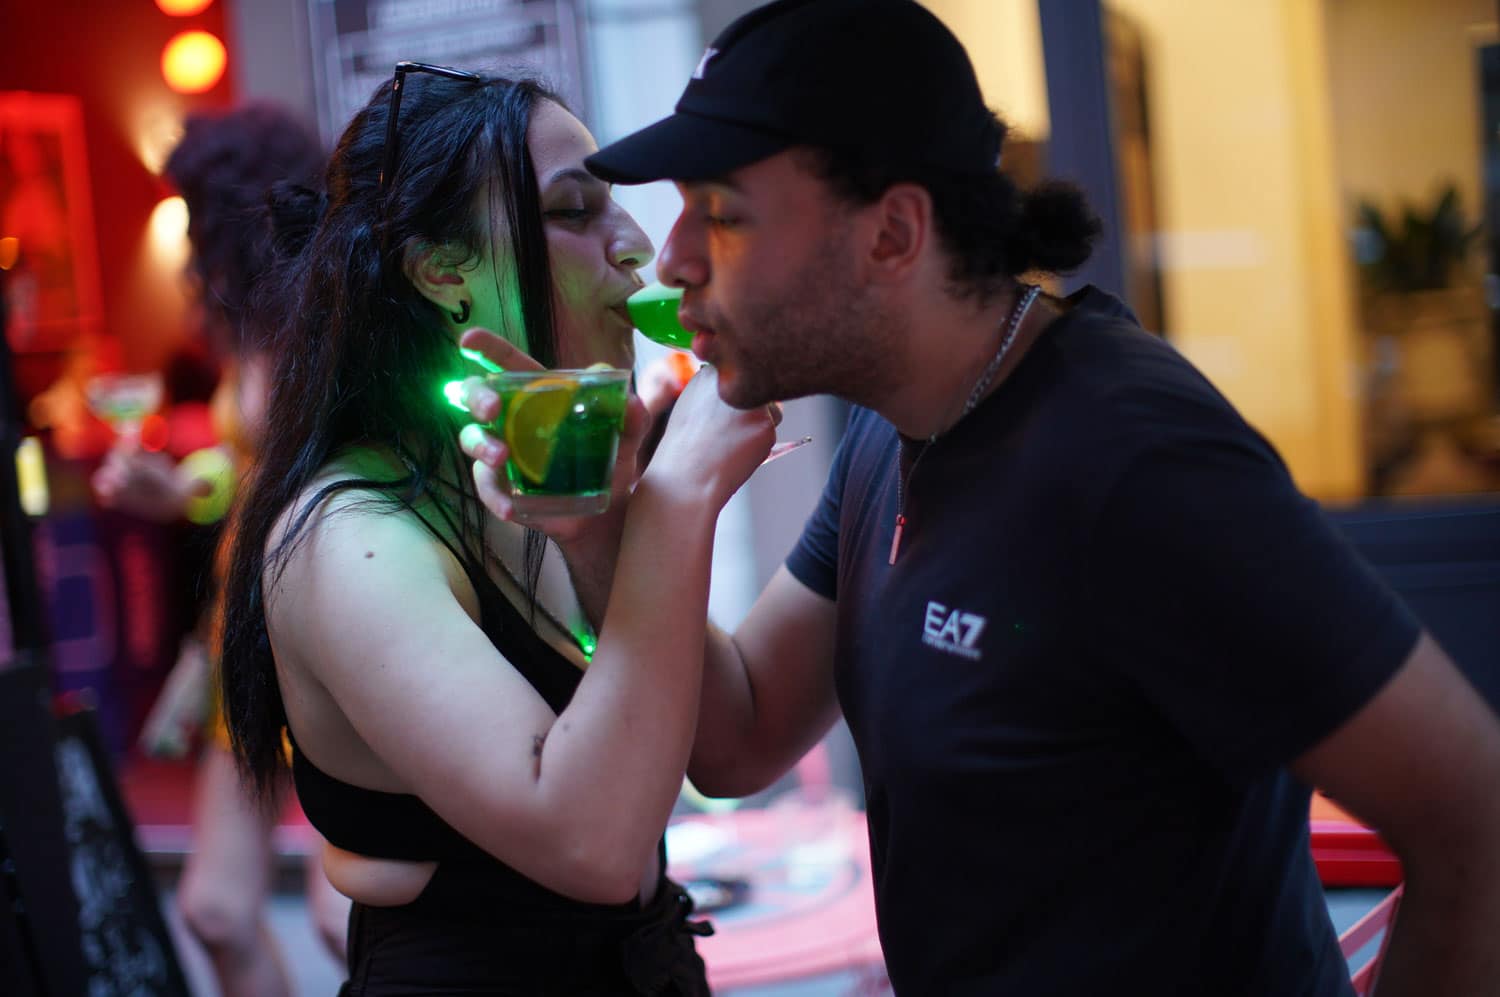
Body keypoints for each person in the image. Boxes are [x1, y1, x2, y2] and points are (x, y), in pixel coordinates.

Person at [463, 1, 1500, 993]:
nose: (673, 258)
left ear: (893, 233)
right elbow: (740, 735)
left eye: (721, 214)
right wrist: (600, 532)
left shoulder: (1136, 462)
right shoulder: (893, 427)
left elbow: (1474, 819)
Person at [215, 63, 776, 996]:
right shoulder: (351, 537)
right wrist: (677, 496)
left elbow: (719, 742)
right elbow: (592, 843)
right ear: (442, 270)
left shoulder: (536, 479)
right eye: (575, 210)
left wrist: (626, 520)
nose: (638, 246)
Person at [91, 103, 349, 997]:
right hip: (244, 637)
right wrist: (181, 489)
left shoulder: (327, 309)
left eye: (200, 212)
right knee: (215, 908)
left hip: (328, 624)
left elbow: (320, 464)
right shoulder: (249, 320)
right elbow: (247, 463)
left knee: (348, 917)